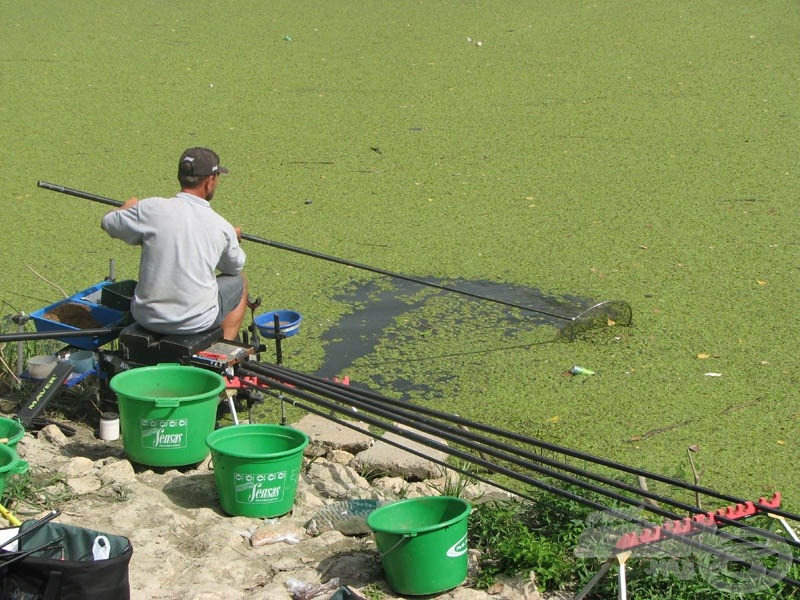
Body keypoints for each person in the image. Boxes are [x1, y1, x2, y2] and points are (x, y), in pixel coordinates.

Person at [101, 147, 247, 340]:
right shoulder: (221, 226)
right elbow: (234, 267)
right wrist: (230, 238)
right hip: (196, 321)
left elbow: (108, 223)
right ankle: (225, 351)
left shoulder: (149, 208)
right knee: (241, 281)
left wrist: (125, 209)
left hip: (146, 317)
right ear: (210, 181)